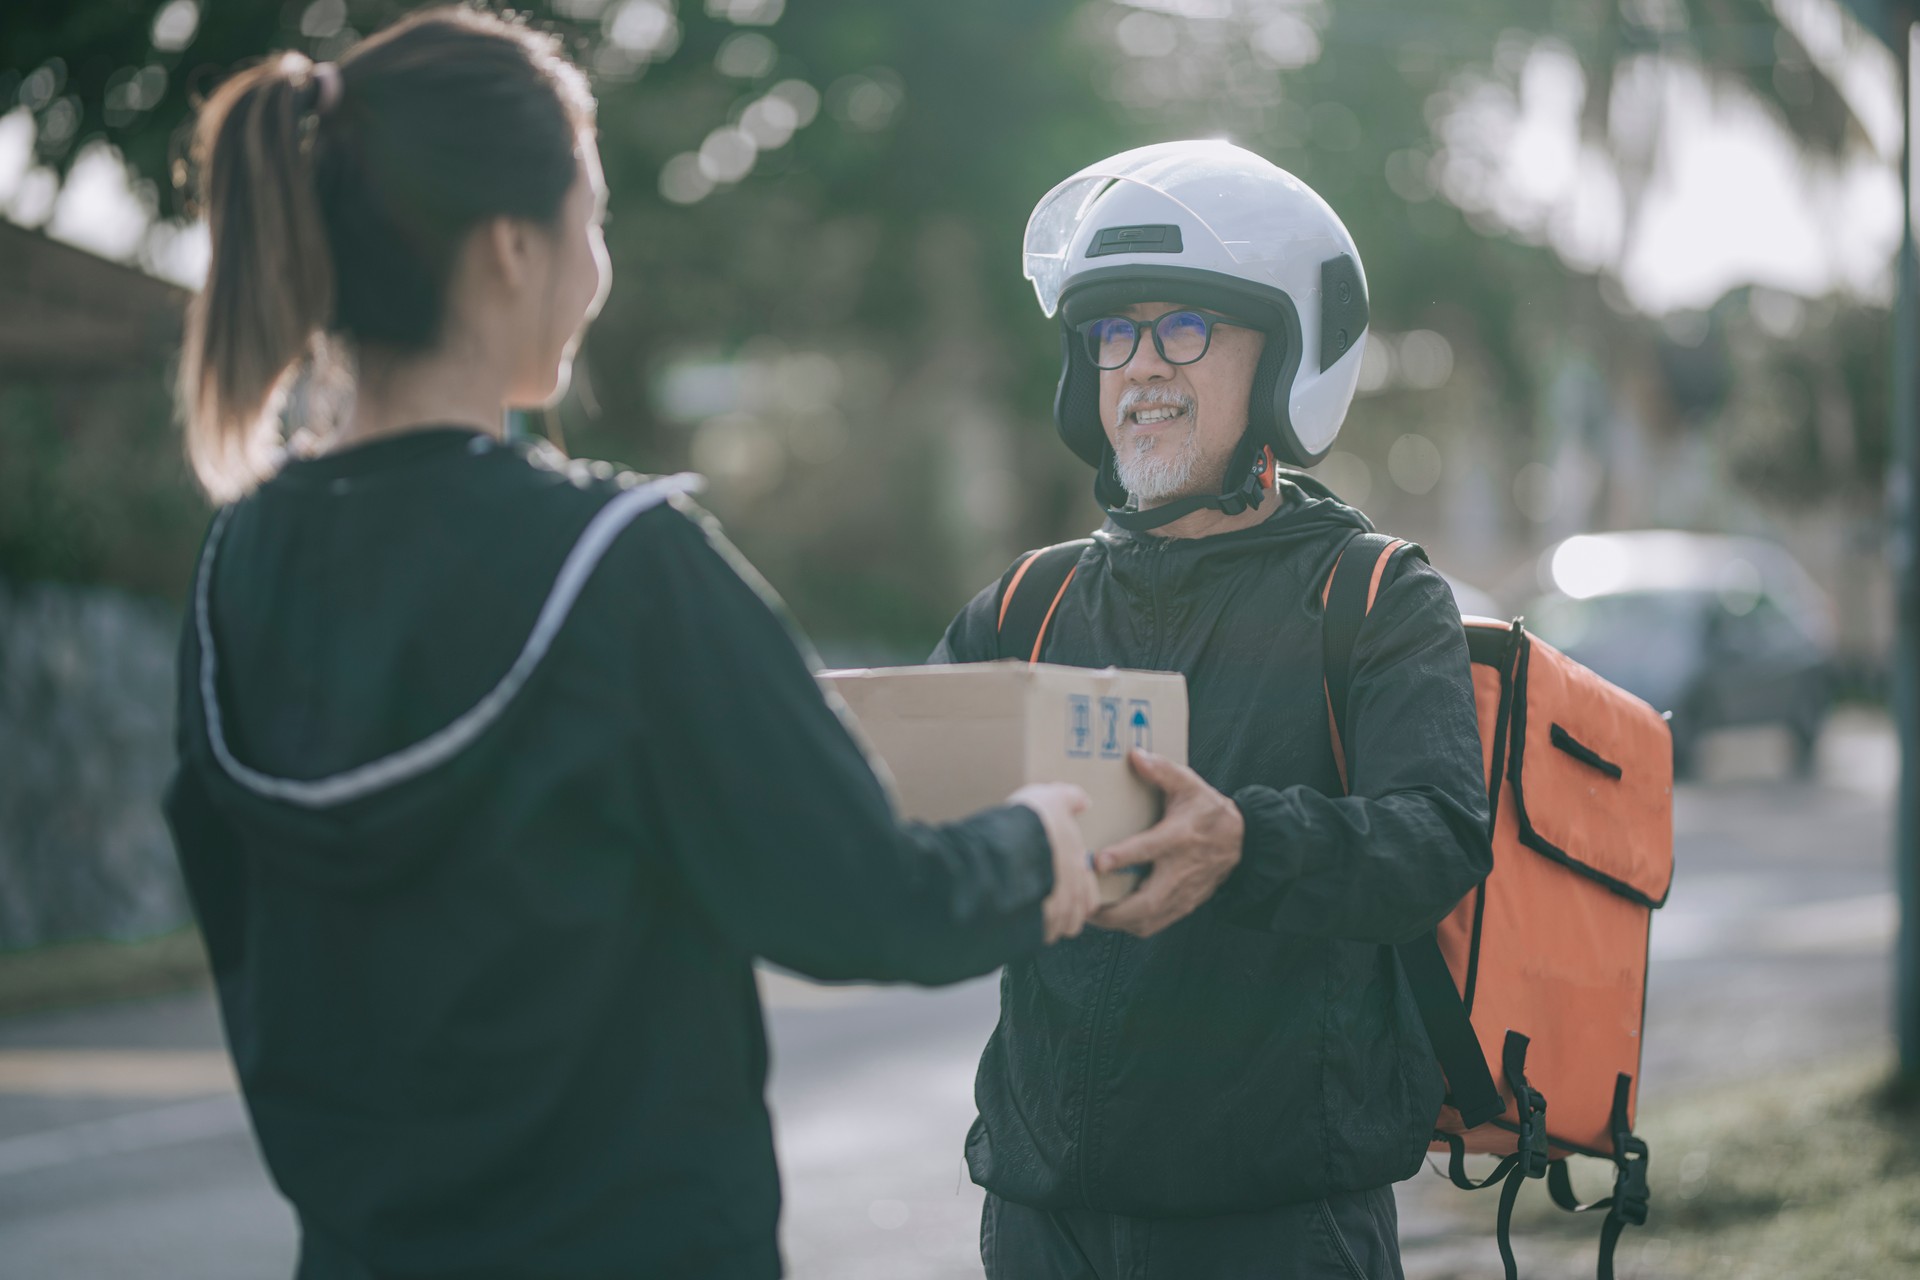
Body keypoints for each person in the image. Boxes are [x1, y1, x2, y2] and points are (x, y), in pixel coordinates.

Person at [159, 11, 1113, 1278]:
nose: (597, 267)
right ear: (509, 248)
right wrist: (1046, 837)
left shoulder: (239, 567)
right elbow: (867, 899)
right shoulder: (619, 562)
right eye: (589, 218)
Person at [930, 141, 1495, 1278]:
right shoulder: (1030, 601)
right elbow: (908, 799)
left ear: (1285, 353)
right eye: (1113, 333)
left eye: (1184, 327)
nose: (1142, 365)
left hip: (1278, 1221)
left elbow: (1437, 838)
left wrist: (1247, 841)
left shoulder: (1373, 592)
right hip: (1045, 1219)